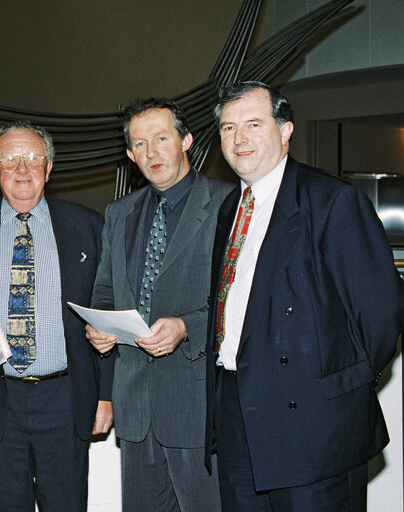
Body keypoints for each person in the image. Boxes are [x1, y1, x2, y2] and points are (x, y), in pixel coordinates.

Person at [206, 81, 404, 511]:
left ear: (285, 129)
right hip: (238, 416)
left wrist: (334, 389)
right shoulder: (230, 209)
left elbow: (381, 311)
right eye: (227, 128)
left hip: (314, 424)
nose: (239, 139)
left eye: (253, 124)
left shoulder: (332, 200)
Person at [0, 121, 113, 511]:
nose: (22, 169)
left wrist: (105, 395)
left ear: (49, 169)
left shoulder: (89, 226)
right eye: (10, 159)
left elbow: (106, 309)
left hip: (66, 399)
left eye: (34, 158)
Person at [87, 98, 232, 511]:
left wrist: (187, 326)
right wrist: (100, 327)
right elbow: (104, 291)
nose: (151, 153)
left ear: (186, 140)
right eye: (140, 144)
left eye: (162, 138)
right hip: (135, 408)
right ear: (131, 155)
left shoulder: (229, 203)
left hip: (198, 407)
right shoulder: (119, 213)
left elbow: (243, 299)